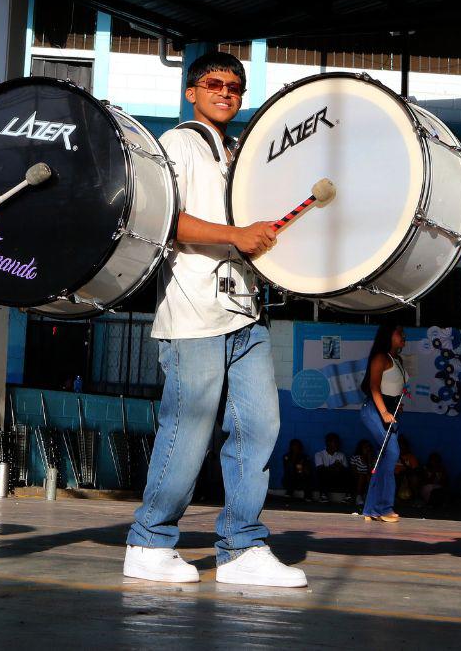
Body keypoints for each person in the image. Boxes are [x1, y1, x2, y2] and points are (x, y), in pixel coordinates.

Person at [124, 51, 305, 588]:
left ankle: (241, 546)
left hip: (244, 309)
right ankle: (149, 540)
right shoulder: (178, 143)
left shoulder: (238, 151)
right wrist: (236, 235)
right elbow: (163, 219)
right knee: (189, 428)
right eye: (214, 83)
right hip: (192, 309)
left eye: (235, 87)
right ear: (191, 92)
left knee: (260, 427)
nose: (225, 93)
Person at [358, 324, 407, 523]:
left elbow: (393, 388)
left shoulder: (398, 360)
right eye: (399, 332)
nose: (404, 335)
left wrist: (396, 405)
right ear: (388, 335)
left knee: (385, 457)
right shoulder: (381, 357)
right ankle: (384, 508)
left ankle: (371, 509)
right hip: (374, 410)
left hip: (388, 410)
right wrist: (385, 411)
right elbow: (374, 387)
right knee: (392, 453)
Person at [314, 433, 350, 501]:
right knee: (321, 472)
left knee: (346, 472)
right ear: (328, 443)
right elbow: (320, 469)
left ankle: (348, 496)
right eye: (335, 442)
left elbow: (345, 470)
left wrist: (340, 466)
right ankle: (323, 495)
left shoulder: (341, 455)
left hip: (337, 479)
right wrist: (334, 466)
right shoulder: (319, 454)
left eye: (338, 442)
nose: (337, 444)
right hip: (326, 478)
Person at [350, 439, 373, 507]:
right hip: (357, 477)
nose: (367, 449)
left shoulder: (372, 459)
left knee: (368, 476)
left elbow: (372, 471)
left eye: (369, 447)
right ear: (361, 448)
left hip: (368, 477)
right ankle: (359, 496)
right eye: (365, 447)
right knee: (362, 475)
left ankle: (369, 497)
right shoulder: (355, 458)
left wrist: (369, 460)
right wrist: (363, 474)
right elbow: (354, 470)